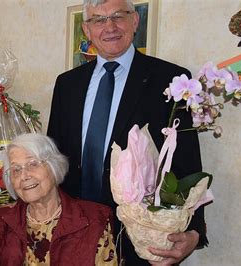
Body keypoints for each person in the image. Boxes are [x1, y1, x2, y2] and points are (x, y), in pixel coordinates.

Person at [47, 0, 207, 265]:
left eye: (118, 16)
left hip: (141, 238)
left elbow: (186, 161)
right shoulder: (67, 84)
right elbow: (56, 157)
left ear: (135, 21)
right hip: (73, 230)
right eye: (98, 20)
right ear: (87, 30)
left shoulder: (170, 78)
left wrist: (195, 230)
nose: (109, 27)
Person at [0, 133, 117, 265]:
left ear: (53, 166)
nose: (24, 176)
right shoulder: (0, 224)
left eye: (33, 164)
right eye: (16, 170)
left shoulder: (94, 220)